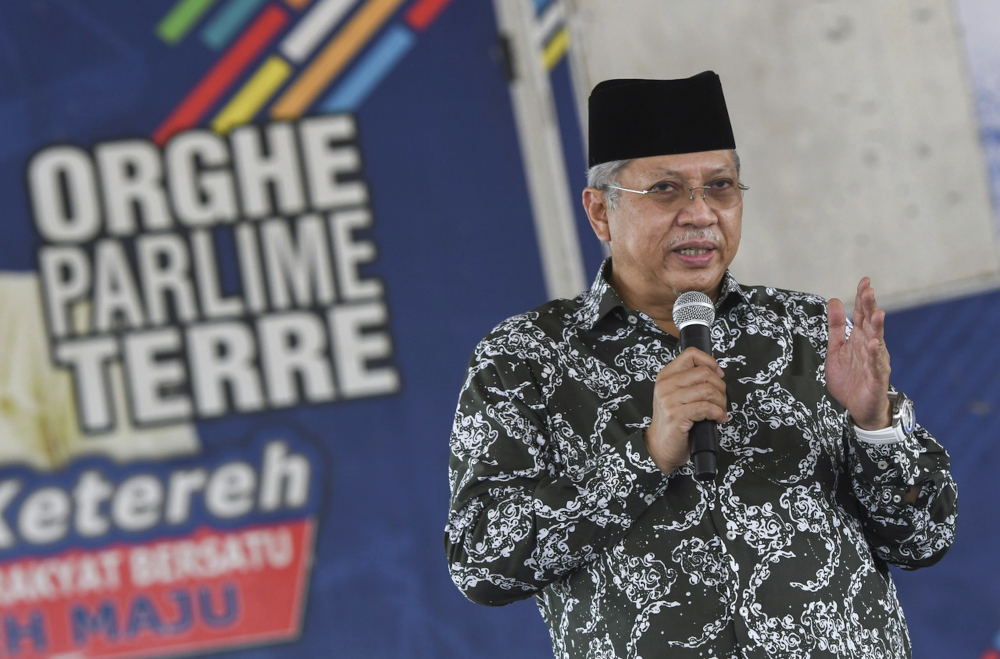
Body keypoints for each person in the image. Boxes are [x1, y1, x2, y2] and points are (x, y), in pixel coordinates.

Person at [443, 72, 958, 658]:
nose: (700, 214)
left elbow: (925, 537)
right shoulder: (525, 359)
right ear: (600, 213)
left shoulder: (809, 331)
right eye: (665, 190)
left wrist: (876, 428)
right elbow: (481, 563)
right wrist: (644, 456)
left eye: (720, 186)